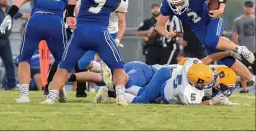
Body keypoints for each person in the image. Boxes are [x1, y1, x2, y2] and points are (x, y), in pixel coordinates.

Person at [42, 0, 129, 106]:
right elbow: (116, 5)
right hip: (101, 33)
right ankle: (121, 96)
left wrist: (70, 15)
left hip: (81, 32)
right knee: (118, 67)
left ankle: (51, 97)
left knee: (64, 67)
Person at [0, 0, 74, 103]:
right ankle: (53, 95)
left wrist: (9, 15)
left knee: (24, 58)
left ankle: (24, 96)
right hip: (55, 22)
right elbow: (74, 9)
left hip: (35, 20)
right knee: (64, 62)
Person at [156, 0, 255, 86]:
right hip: (198, 28)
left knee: (211, 41)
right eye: (174, 3)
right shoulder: (167, 4)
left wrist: (221, 9)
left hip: (212, 18)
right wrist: (166, 33)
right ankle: (252, 78)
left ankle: (239, 49)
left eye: (180, 2)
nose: (178, 5)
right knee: (224, 58)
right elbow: (159, 25)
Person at [96, 51, 240, 105]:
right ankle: (111, 90)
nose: (224, 91)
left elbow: (205, 59)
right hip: (165, 78)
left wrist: (226, 53)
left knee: (144, 95)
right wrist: (212, 102)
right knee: (143, 100)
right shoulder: (193, 85)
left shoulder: (200, 71)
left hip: (168, 76)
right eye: (224, 87)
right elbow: (196, 102)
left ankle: (110, 91)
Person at [0, 0, 29, 90]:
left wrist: (37, 16)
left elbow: (23, 16)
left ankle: (12, 85)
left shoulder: (10, 9)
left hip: (5, 40)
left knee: (9, 63)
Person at [232, 0, 255, 93]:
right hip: (244, 50)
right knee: (242, 70)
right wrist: (239, 48)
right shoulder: (238, 21)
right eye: (247, 6)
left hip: (255, 50)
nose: (248, 8)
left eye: (250, 6)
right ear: (244, 7)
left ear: (253, 8)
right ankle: (244, 89)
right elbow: (234, 35)